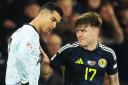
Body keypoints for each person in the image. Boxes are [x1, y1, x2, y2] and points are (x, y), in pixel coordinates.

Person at [48, 12, 120, 85]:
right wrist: (44, 65)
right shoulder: (68, 50)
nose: (78, 35)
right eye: (77, 31)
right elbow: (47, 71)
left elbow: (114, 82)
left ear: (95, 31)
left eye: (83, 31)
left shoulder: (108, 54)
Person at [6, 2, 63, 85]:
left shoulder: (33, 35)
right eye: (53, 19)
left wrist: (45, 65)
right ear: (42, 14)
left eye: (56, 22)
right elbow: (23, 75)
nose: (54, 25)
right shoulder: (26, 35)